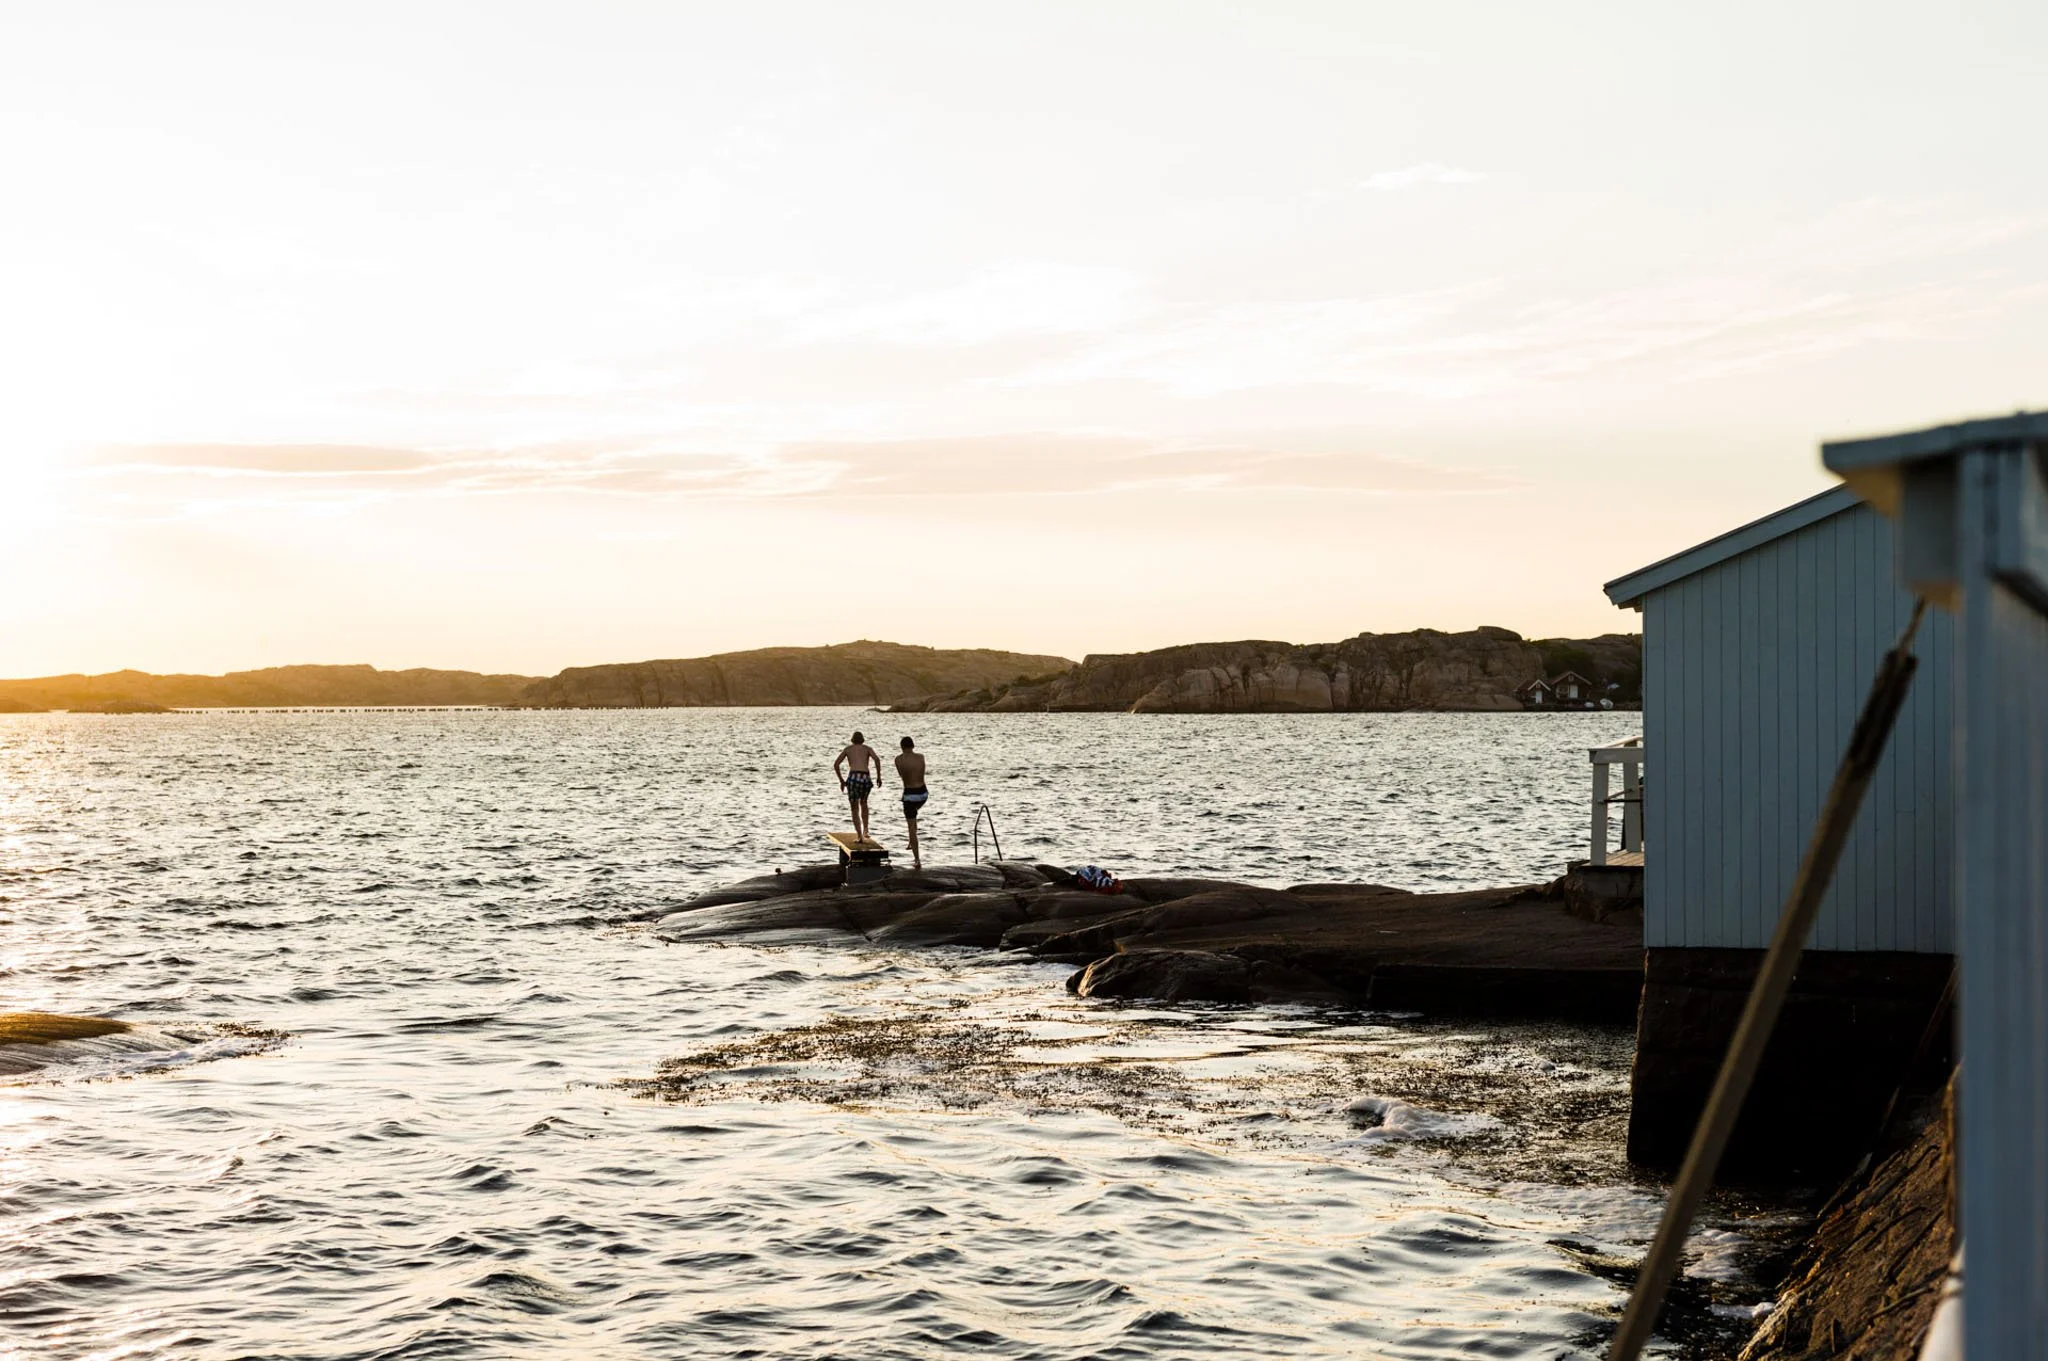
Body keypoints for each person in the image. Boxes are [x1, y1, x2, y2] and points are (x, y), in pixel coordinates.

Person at [833, 731, 882, 844]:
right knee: (864, 803)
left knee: (854, 808)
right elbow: (877, 760)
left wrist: (841, 780)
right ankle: (866, 830)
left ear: (852, 740)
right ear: (862, 740)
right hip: (865, 777)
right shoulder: (867, 748)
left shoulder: (848, 749)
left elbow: (836, 764)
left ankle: (860, 836)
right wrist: (879, 776)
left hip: (854, 777)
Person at [894, 736, 928, 870]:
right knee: (913, 817)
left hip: (910, 794)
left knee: (911, 826)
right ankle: (911, 839)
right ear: (913, 746)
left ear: (902, 747)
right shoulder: (921, 757)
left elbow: (902, 776)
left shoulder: (898, 759)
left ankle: (917, 859)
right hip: (923, 793)